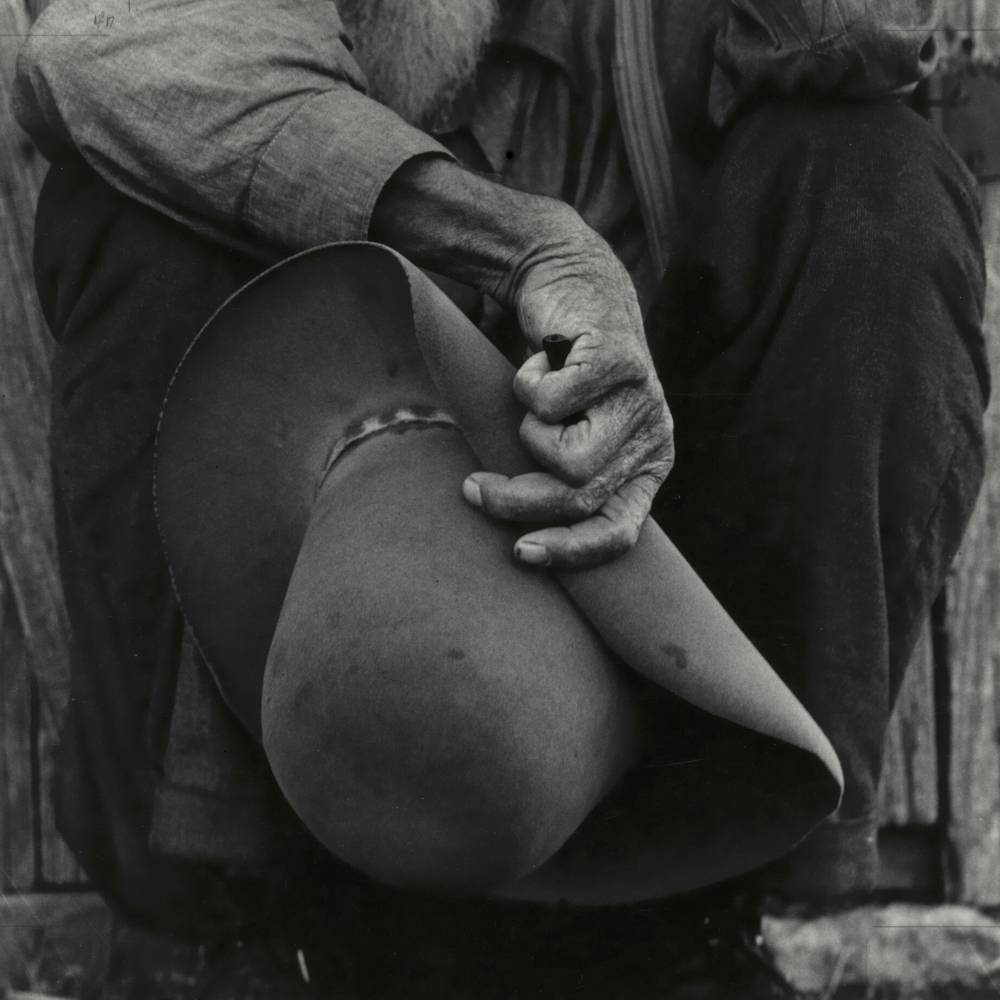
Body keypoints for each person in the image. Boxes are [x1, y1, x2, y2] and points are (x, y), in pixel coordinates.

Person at [12, 0, 989, 996]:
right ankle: (212, 936)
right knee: (139, 189)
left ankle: (708, 900)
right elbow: (95, 48)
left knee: (881, 189)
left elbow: (868, 41)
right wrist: (518, 244)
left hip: (629, 565)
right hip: (312, 534)